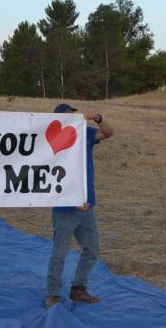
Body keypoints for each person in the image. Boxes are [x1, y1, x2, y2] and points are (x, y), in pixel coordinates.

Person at [44, 103, 115, 308]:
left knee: (92, 249)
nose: (74, 118)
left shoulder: (84, 133)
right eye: (68, 115)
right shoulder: (48, 141)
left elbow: (109, 133)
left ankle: (78, 288)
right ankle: (53, 294)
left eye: (74, 115)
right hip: (65, 208)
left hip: (87, 206)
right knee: (59, 253)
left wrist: (99, 118)